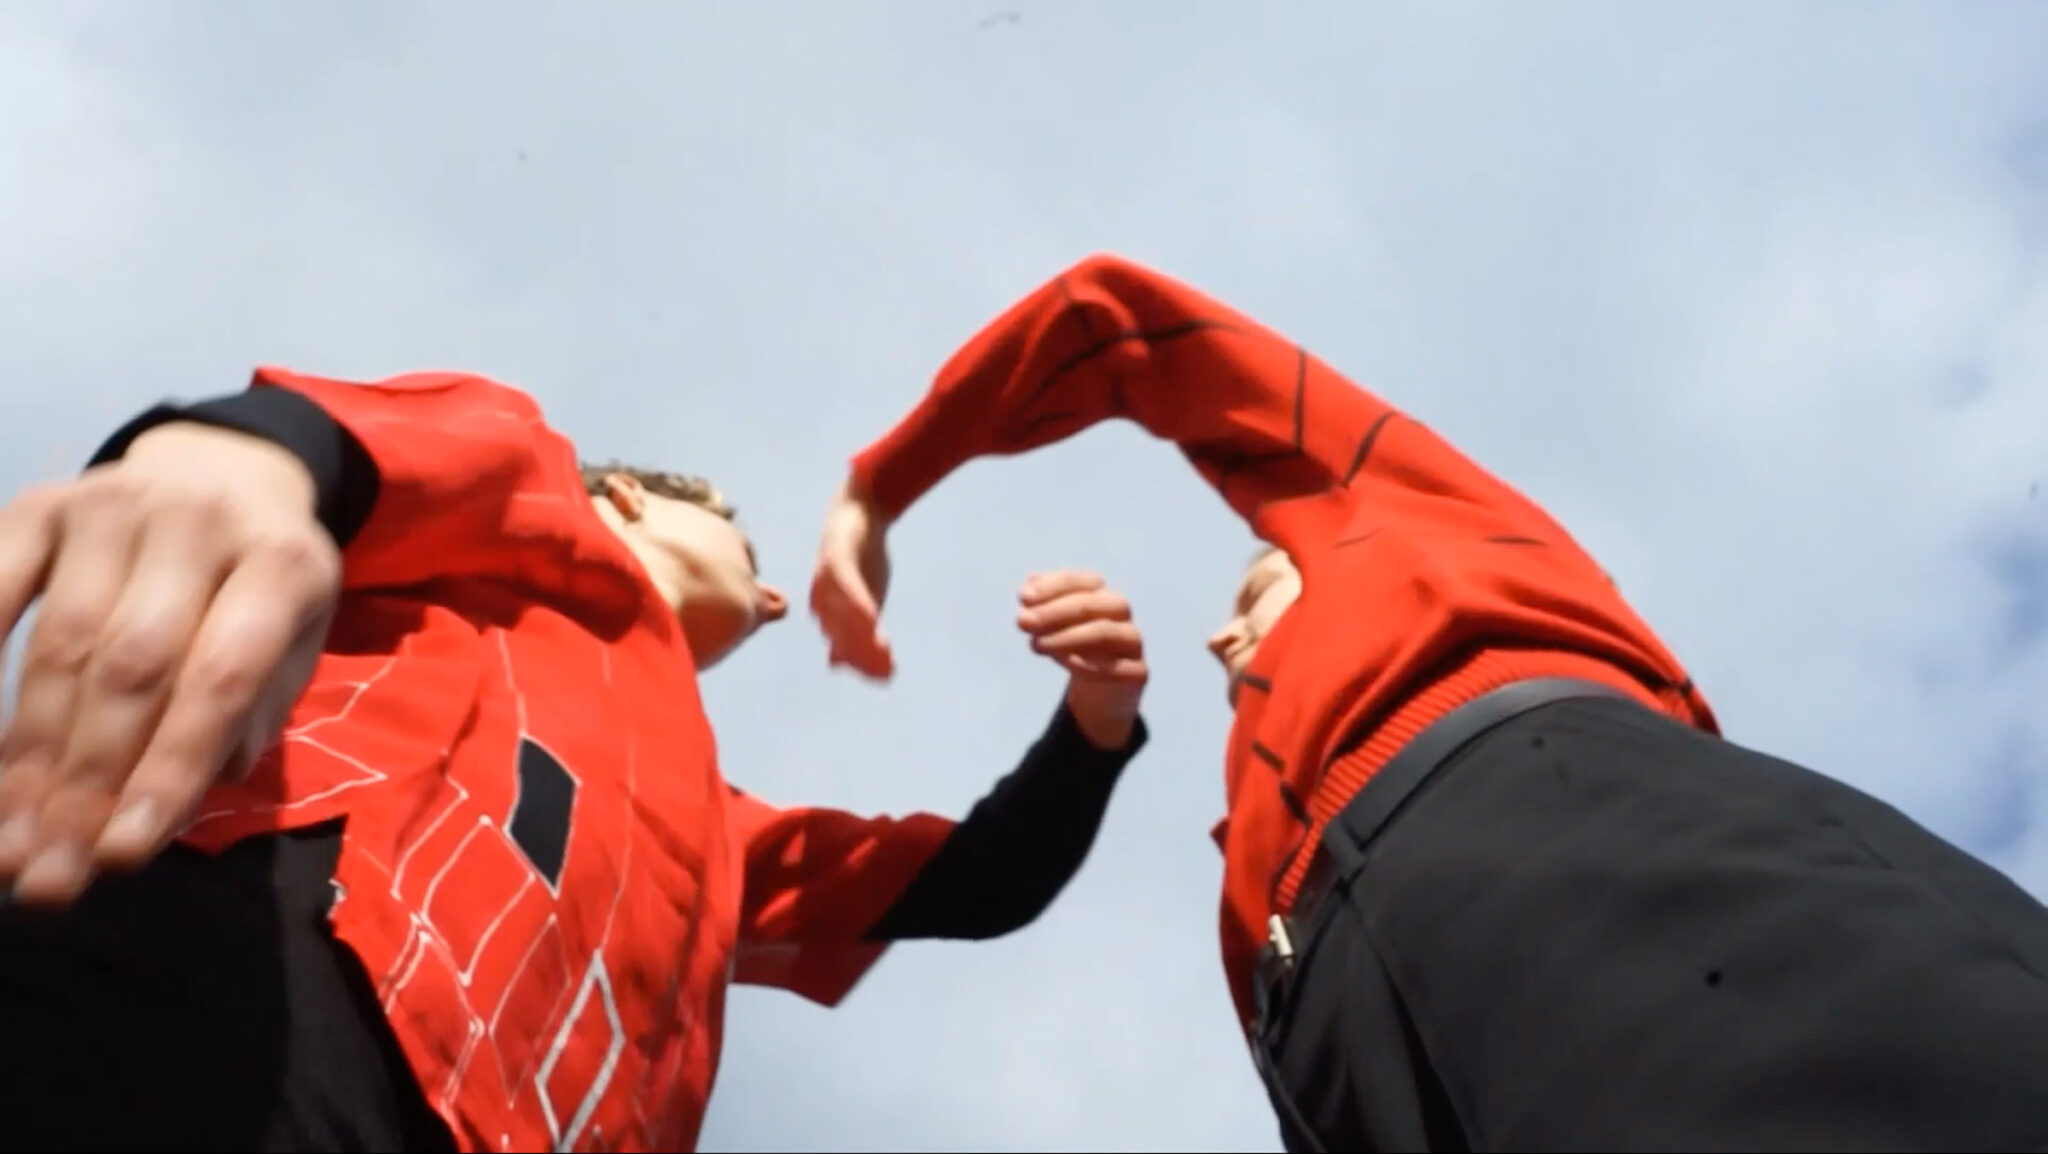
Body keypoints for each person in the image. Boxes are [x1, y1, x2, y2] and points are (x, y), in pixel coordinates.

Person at [810, 253, 2048, 1152]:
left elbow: (1120, 320)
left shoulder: (1407, 507)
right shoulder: (1251, 832)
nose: (1218, 629)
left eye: (1254, 581)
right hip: (1330, 1046)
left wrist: (883, 484)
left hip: (1566, 833)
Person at [0, 369, 1149, 1153]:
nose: (769, 593)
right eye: (743, 538)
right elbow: (372, 447)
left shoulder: (714, 830)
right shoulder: (541, 538)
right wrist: (240, 457)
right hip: (257, 959)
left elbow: (980, 879)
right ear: (633, 499)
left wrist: (1096, 721)